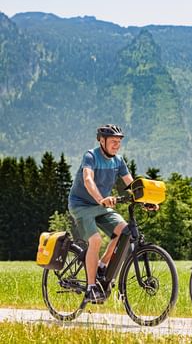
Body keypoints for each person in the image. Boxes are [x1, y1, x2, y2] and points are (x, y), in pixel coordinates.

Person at [68, 124, 133, 303]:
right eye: (113, 141)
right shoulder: (90, 156)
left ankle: (102, 265)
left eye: (119, 142)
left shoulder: (118, 161)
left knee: (124, 230)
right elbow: (88, 180)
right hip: (81, 205)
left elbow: (132, 184)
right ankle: (90, 288)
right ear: (102, 141)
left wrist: (147, 200)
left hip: (101, 205)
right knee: (95, 240)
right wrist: (101, 199)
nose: (116, 145)